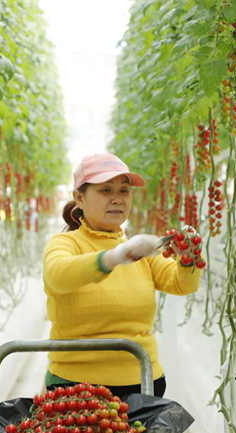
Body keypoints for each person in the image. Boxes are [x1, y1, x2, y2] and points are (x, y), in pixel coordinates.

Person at [42, 153, 203, 398]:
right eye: (106, 190)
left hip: (144, 383)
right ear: (79, 198)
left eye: (124, 191)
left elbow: (182, 284)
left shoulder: (139, 249)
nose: (117, 199)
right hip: (75, 388)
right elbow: (58, 275)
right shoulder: (65, 243)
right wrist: (113, 257)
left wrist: (188, 257)